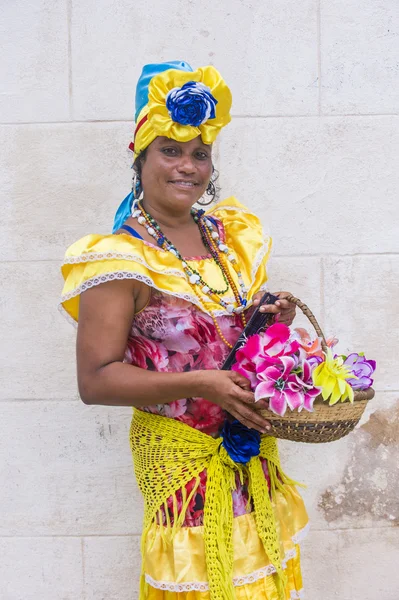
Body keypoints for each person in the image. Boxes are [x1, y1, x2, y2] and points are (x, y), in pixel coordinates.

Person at [60, 61, 309, 600]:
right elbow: (95, 381)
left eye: (200, 152)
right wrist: (201, 385)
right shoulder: (120, 259)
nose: (187, 166)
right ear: (140, 155)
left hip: (253, 458)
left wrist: (269, 321)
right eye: (170, 149)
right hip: (184, 471)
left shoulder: (229, 236)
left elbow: (225, 339)